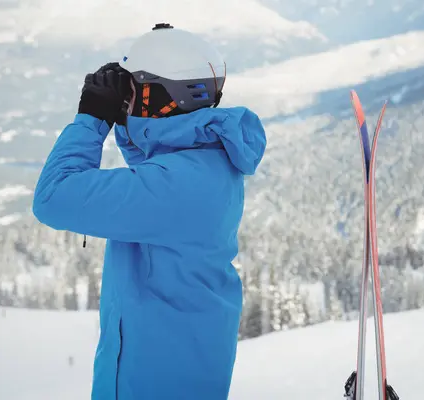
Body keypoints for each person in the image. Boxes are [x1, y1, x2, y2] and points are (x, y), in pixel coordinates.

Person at [32, 23, 267, 400]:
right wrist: (130, 112)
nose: (125, 99)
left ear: (163, 97)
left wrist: (92, 118)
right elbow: (154, 156)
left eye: (134, 91)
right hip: (177, 365)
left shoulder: (175, 188)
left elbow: (53, 197)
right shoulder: (208, 160)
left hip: (154, 379)